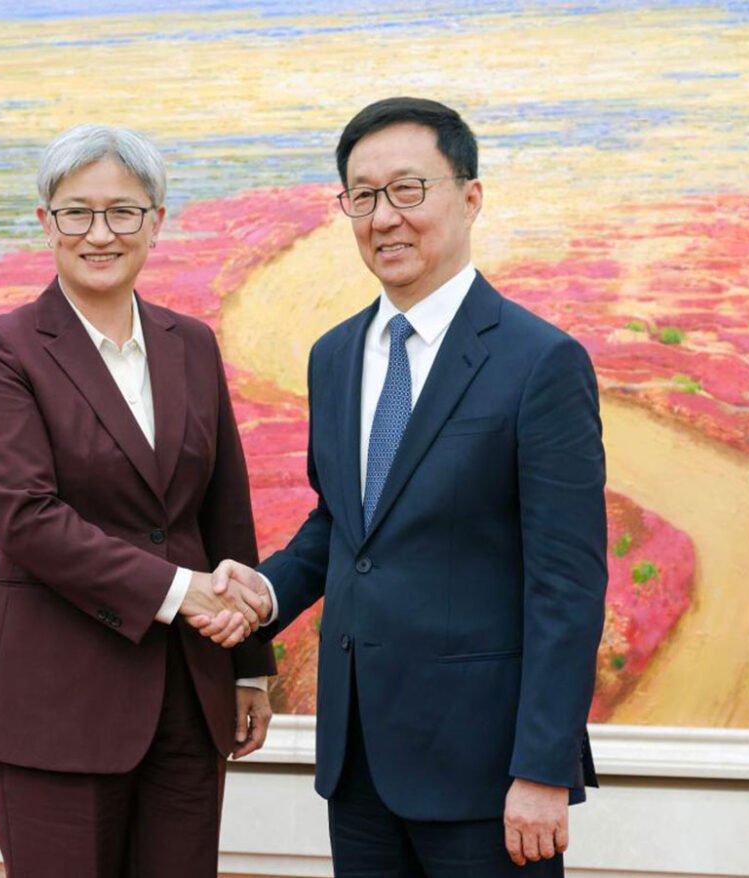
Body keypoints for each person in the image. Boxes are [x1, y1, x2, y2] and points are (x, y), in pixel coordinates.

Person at [199, 97, 607, 876]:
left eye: (408, 190)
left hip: (488, 777)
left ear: (471, 196)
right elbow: (345, 528)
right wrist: (263, 594)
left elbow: (568, 583)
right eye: (362, 195)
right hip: (358, 767)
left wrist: (545, 769)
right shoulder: (335, 355)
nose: (384, 217)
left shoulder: (539, 363)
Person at [0, 123, 275, 878]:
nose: (100, 233)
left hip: (190, 702)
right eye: (77, 212)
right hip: (56, 706)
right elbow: (26, 520)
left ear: (157, 222)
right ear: (47, 222)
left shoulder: (191, 342)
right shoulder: (3, 349)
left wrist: (251, 667)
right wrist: (182, 592)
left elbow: (224, 510)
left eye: (123, 212)